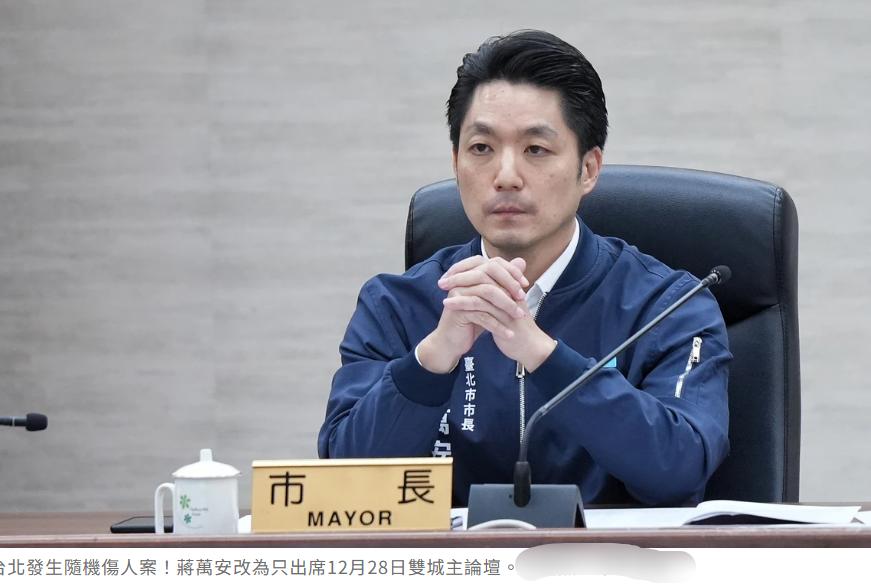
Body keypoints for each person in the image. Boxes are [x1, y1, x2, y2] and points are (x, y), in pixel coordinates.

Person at [318, 30, 730, 506]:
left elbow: (680, 470)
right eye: (481, 148)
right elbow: (344, 490)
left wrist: (544, 356)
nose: (506, 176)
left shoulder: (669, 305)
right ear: (455, 163)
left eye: (536, 149)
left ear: (588, 169)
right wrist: (430, 361)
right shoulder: (395, 305)